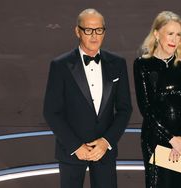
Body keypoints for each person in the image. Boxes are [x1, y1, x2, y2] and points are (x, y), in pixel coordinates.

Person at [43, 8, 132, 188]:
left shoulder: (117, 63)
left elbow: (124, 108)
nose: (94, 36)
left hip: (104, 152)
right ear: (78, 31)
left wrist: (106, 142)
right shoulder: (60, 65)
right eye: (88, 30)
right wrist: (76, 147)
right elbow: (51, 112)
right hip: (72, 151)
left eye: (99, 30)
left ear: (104, 32)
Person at [133, 11, 181, 188]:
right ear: (156, 34)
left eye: (178, 34)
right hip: (156, 138)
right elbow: (145, 107)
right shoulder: (142, 65)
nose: (174, 39)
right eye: (170, 33)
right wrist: (171, 139)